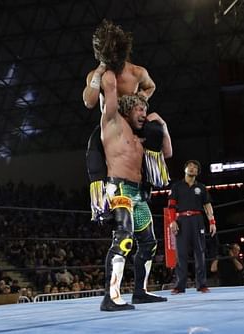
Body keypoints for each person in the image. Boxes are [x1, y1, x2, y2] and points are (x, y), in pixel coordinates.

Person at [98, 73, 172, 311]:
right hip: (118, 188)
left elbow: (167, 153)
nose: (143, 113)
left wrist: (163, 125)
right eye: (139, 109)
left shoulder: (141, 139)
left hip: (138, 193)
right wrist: (107, 66)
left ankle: (140, 292)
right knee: (124, 239)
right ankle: (112, 297)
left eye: (144, 110)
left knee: (149, 243)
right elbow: (109, 90)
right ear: (128, 109)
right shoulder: (114, 124)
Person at [82, 19, 158, 223]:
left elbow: (151, 87)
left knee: (155, 131)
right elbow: (89, 102)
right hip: (109, 126)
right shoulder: (98, 74)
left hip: (133, 124)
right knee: (93, 147)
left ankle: (152, 180)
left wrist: (139, 100)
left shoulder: (136, 72)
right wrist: (98, 72)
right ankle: (100, 205)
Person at [167, 160, 217, 294]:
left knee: (200, 252)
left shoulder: (201, 187)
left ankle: (202, 285)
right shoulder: (177, 186)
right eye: (190, 166)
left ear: (197, 172)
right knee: (181, 253)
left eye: (195, 167)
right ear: (185, 169)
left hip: (197, 220)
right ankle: (180, 286)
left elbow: (207, 205)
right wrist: (172, 221)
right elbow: (171, 205)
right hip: (181, 220)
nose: (192, 168)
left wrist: (212, 222)